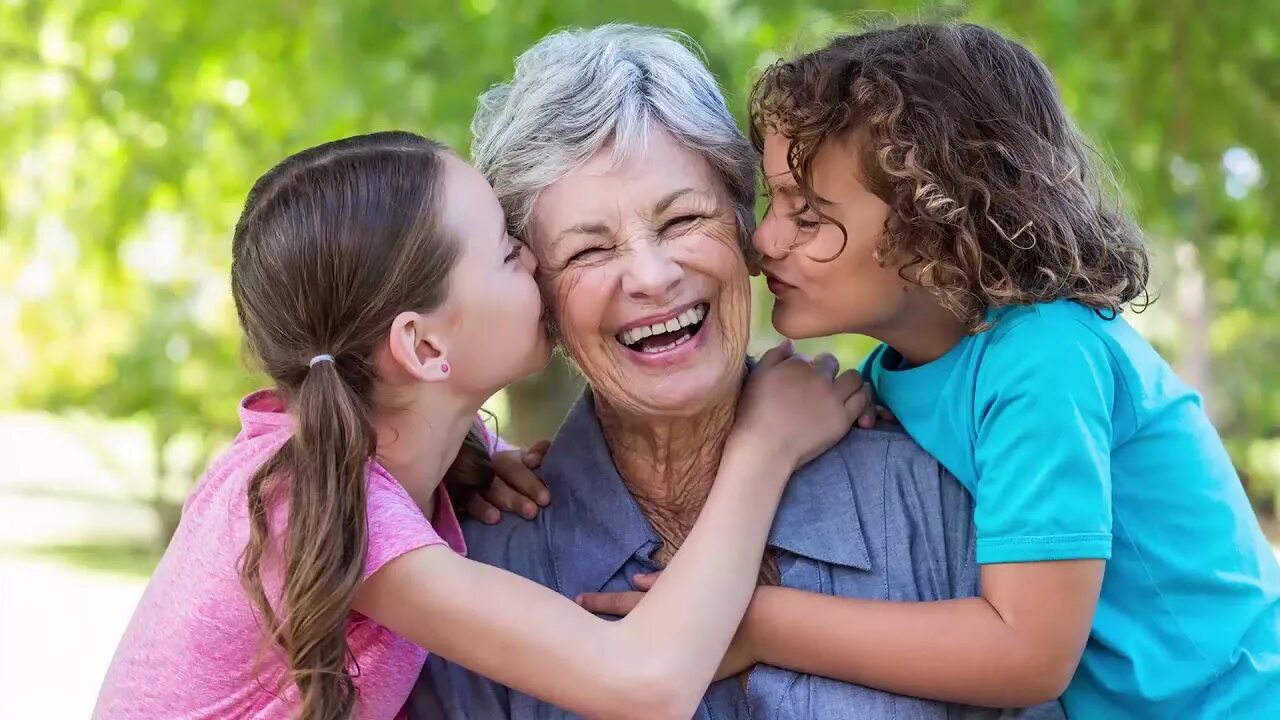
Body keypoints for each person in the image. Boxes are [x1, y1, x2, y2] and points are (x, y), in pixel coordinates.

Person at [92, 131, 866, 720]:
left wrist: (471, 460)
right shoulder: (322, 507)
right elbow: (645, 683)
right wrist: (766, 446)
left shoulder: (359, 470)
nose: (535, 259)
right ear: (423, 347)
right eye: (504, 252)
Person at [415, 25, 1060, 720]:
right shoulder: (476, 568)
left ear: (745, 230)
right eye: (589, 251)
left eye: (684, 219)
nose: (654, 277)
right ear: (537, 297)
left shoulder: (934, 490)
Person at [741, 22, 1280, 718]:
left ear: (935, 229)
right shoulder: (897, 372)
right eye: (771, 201)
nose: (762, 239)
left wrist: (757, 623)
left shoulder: (1044, 355)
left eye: (807, 214)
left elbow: (1026, 655)